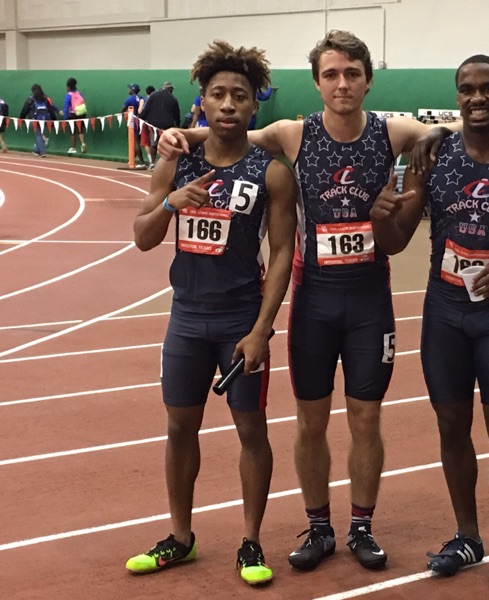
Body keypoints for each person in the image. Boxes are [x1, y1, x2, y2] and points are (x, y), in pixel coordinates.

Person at [158, 30, 489, 574]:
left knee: (365, 418)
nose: (342, 84)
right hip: (313, 299)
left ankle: (360, 527)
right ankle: (319, 526)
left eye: (352, 74)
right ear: (317, 82)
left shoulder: (390, 130)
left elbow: (466, 123)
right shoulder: (292, 134)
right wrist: (175, 134)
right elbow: (228, 127)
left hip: (369, 300)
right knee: (309, 421)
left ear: (368, 80)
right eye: (331, 75)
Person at [125, 40, 297, 586]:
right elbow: (142, 237)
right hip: (186, 318)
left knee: (251, 429)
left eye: (239, 96)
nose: (227, 104)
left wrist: (261, 330)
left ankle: (251, 541)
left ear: (253, 107)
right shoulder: (177, 161)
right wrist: (170, 201)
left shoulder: (270, 171)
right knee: (179, 427)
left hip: (239, 319)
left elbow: (284, 253)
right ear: (202, 102)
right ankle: (180, 537)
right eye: (218, 94)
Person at [370, 54, 489, 600]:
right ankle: (467, 536)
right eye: (467, 89)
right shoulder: (434, 154)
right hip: (442, 312)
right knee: (450, 426)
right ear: (457, 96)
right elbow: (397, 240)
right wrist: (382, 215)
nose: (477, 98)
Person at [140, 81, 181, 161]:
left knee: (153, 144)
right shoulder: (173, 99)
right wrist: (178, 124)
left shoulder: (153, 95)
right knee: (167, 144)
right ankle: (166, 163)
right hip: (167, 125)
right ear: (170, 89)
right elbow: (177, 114)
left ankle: (152, 162)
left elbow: (146, 109)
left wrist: (142, 118)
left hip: (154, 125)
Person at [20, 84, 58, 158]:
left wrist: (21, 119)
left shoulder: (30, 99)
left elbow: (24, 110)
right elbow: (51, 110)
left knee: (38, 135)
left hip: (34, 120)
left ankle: (42, 151)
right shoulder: (45, 98)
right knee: (40, 134)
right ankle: (37, 150)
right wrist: (54, 120)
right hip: (45, 120)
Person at [122, 83, 147, 168]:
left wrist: (120, 114)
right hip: (142, 121)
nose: (129, 90)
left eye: (130, 89)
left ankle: (142, 162)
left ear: (132, 90)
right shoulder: (142, 98)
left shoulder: (129, 99)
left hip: (134, 121)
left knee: (136, 142)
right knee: (138, 141)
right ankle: (132, 159)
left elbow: (123, 109)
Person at [63, 77, 87, 154]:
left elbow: (66, 108)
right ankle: (83, 143)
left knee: (72, 132)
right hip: (82, 114)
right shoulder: (80, 93)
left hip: (73, 115)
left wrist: (66, 117)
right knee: (80, 130)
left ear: (68, 87)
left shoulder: (68, 96)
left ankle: (73, 148)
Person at [139, 86, 157, 169]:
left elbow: (140, 111)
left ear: (146, 93)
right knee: (153, 142)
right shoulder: (157, 100)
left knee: (145, 142)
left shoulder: (144, 100)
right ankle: (153, 162)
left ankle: (151, 162)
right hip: (154, 123)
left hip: (145, 122)